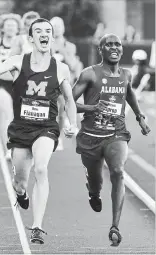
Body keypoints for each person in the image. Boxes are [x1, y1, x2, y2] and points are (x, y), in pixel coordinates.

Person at [0, 18, 77, 244]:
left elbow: (69, 99)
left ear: (52, 38)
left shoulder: (61, 68)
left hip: (46, 128)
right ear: (30, 38)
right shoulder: (18, 61)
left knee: (42, 168)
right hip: (21, 128)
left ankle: (37, 226)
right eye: (38, 31)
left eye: (48, 31)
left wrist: (71, 124)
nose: (44, 35)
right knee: (20, 181)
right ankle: (21, 193)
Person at [72, 34, 151, 246]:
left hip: (116, 133)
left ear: (122, 50)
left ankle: (115, 225)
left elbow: (129, 94)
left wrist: (139, 117)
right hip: (91, 136)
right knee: (96, 181)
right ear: (101, 50)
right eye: (109, 44)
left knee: (117, 171)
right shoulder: (89, 74)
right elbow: (68, 102)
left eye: (118, 44)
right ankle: (93, 190)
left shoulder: (126, 74)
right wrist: (91, 108)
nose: (114, 47)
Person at [0, 13, 22, 160]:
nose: (10, 28)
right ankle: (9, 148)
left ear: (17, 28)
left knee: (18, 117)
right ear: (2, 27)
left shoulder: (21, 43)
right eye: (7, 25)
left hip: (19, 84)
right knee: (8, 114)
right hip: (2, 83)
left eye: (13, 26)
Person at [50, 16, 83, 150]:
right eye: (54, 26)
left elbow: (73, 65)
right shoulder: (45, 43)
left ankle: (57, 137)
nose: (57, 29)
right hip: (47, 83)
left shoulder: (69, 46)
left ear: (63, 28)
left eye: (59, 26)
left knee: (61, 112)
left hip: (62, 84)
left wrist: (62, 49)